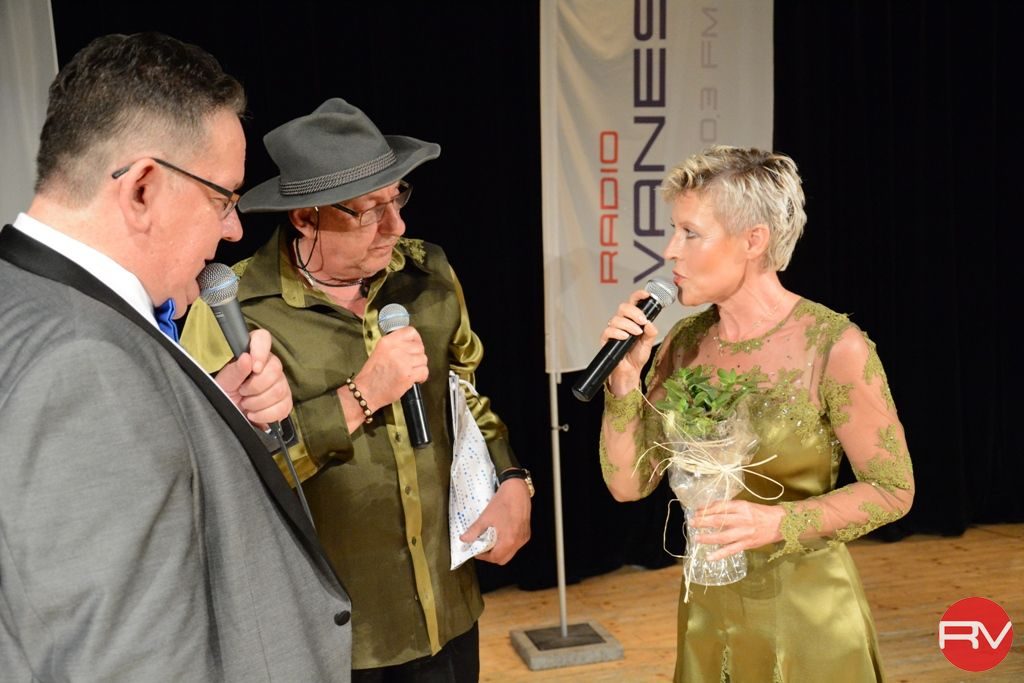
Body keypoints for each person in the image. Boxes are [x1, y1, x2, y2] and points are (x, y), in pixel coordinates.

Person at [0, 33, 352, 681]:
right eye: (224, 199)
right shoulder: (83, 369)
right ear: (142, 188)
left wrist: (208, 412)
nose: (234, 229)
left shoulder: (26, 299)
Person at [180, 97, 532, 681]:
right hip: (335, 636)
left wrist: (513, 478)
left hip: (448, 610)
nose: (396, 226)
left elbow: (465, 394)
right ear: (305, 217)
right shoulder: (234, 313)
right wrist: (360, 396)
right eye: (368, 211)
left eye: (398, 199)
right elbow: (229, 480)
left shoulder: (428, 274)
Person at [598, 145, 914, 681]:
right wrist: (624, 383)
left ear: (753, 240)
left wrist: (779, 521)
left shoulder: (833, 345)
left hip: (807, 620)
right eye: (674, 231)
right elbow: (628, 486)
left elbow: (892, 490)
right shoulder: (683, 343)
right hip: (707, 613)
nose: (670, 252)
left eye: (690, 233)